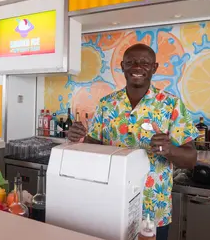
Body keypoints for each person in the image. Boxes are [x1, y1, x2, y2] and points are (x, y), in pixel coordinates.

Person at [68, 43, 198, 240]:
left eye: (145, 63)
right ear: (122, 66)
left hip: (153, 208)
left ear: (154, 68)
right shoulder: (107, 104)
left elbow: (191, 159)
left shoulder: (171, 104)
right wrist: (81, 140)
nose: (137, 67)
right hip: (110, 203)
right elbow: (94, 148)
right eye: (131, 62)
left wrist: (169, 150)